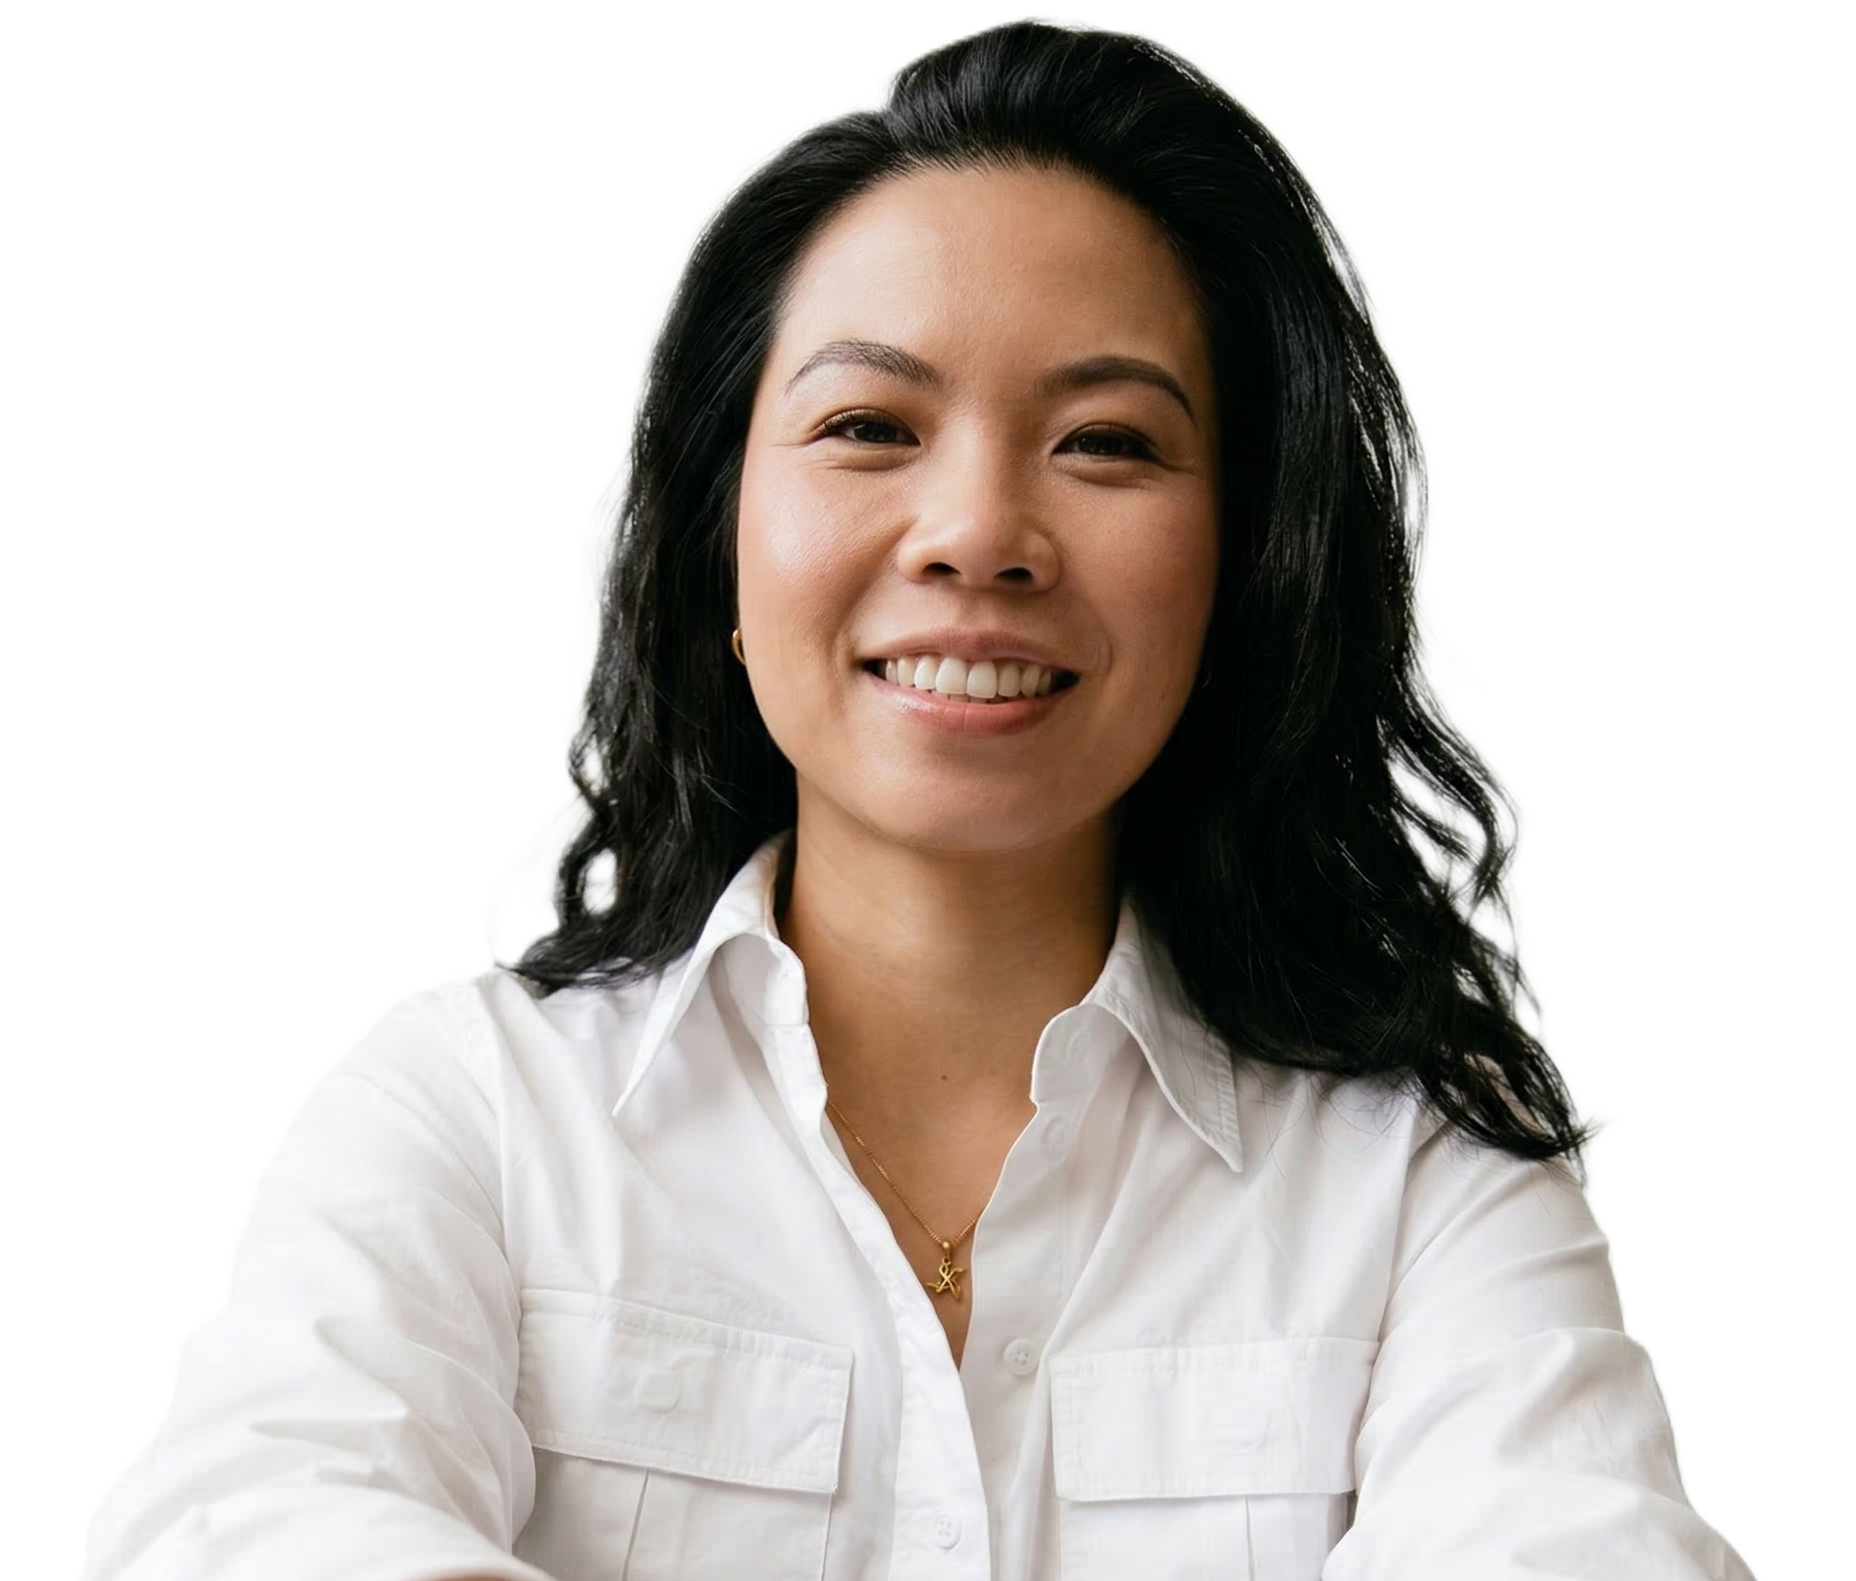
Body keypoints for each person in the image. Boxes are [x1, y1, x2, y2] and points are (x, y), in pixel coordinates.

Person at [83, 15, 1755, 1581]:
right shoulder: (470, 1116)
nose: (978, 534)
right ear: (718, 548)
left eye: (1106, 442)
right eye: (871, 423)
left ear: (1250, 569)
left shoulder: (1420, 1187)